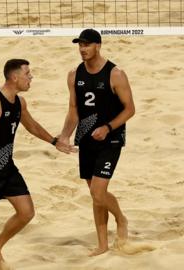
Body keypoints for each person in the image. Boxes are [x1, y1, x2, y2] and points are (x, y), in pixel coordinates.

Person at [0, 59, 73, 270]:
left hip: (7, 168)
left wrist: (54, 141)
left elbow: (31, 125)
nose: (31, 78)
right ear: (14, 77)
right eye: (27, 74)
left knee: (26, 212)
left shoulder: (20, 103)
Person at [58, 29, 135, 256]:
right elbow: (73, 110)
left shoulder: (115, 74)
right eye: (80, 45)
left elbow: (130, 109)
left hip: (111, 139)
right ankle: (102, 244)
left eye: (87, 44)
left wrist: (108, 127)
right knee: (95, 194)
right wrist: (64, 135)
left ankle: (121, 219)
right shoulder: (74, 74)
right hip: (86, 139)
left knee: (99, 193)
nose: (82, 49)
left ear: (98, 46)